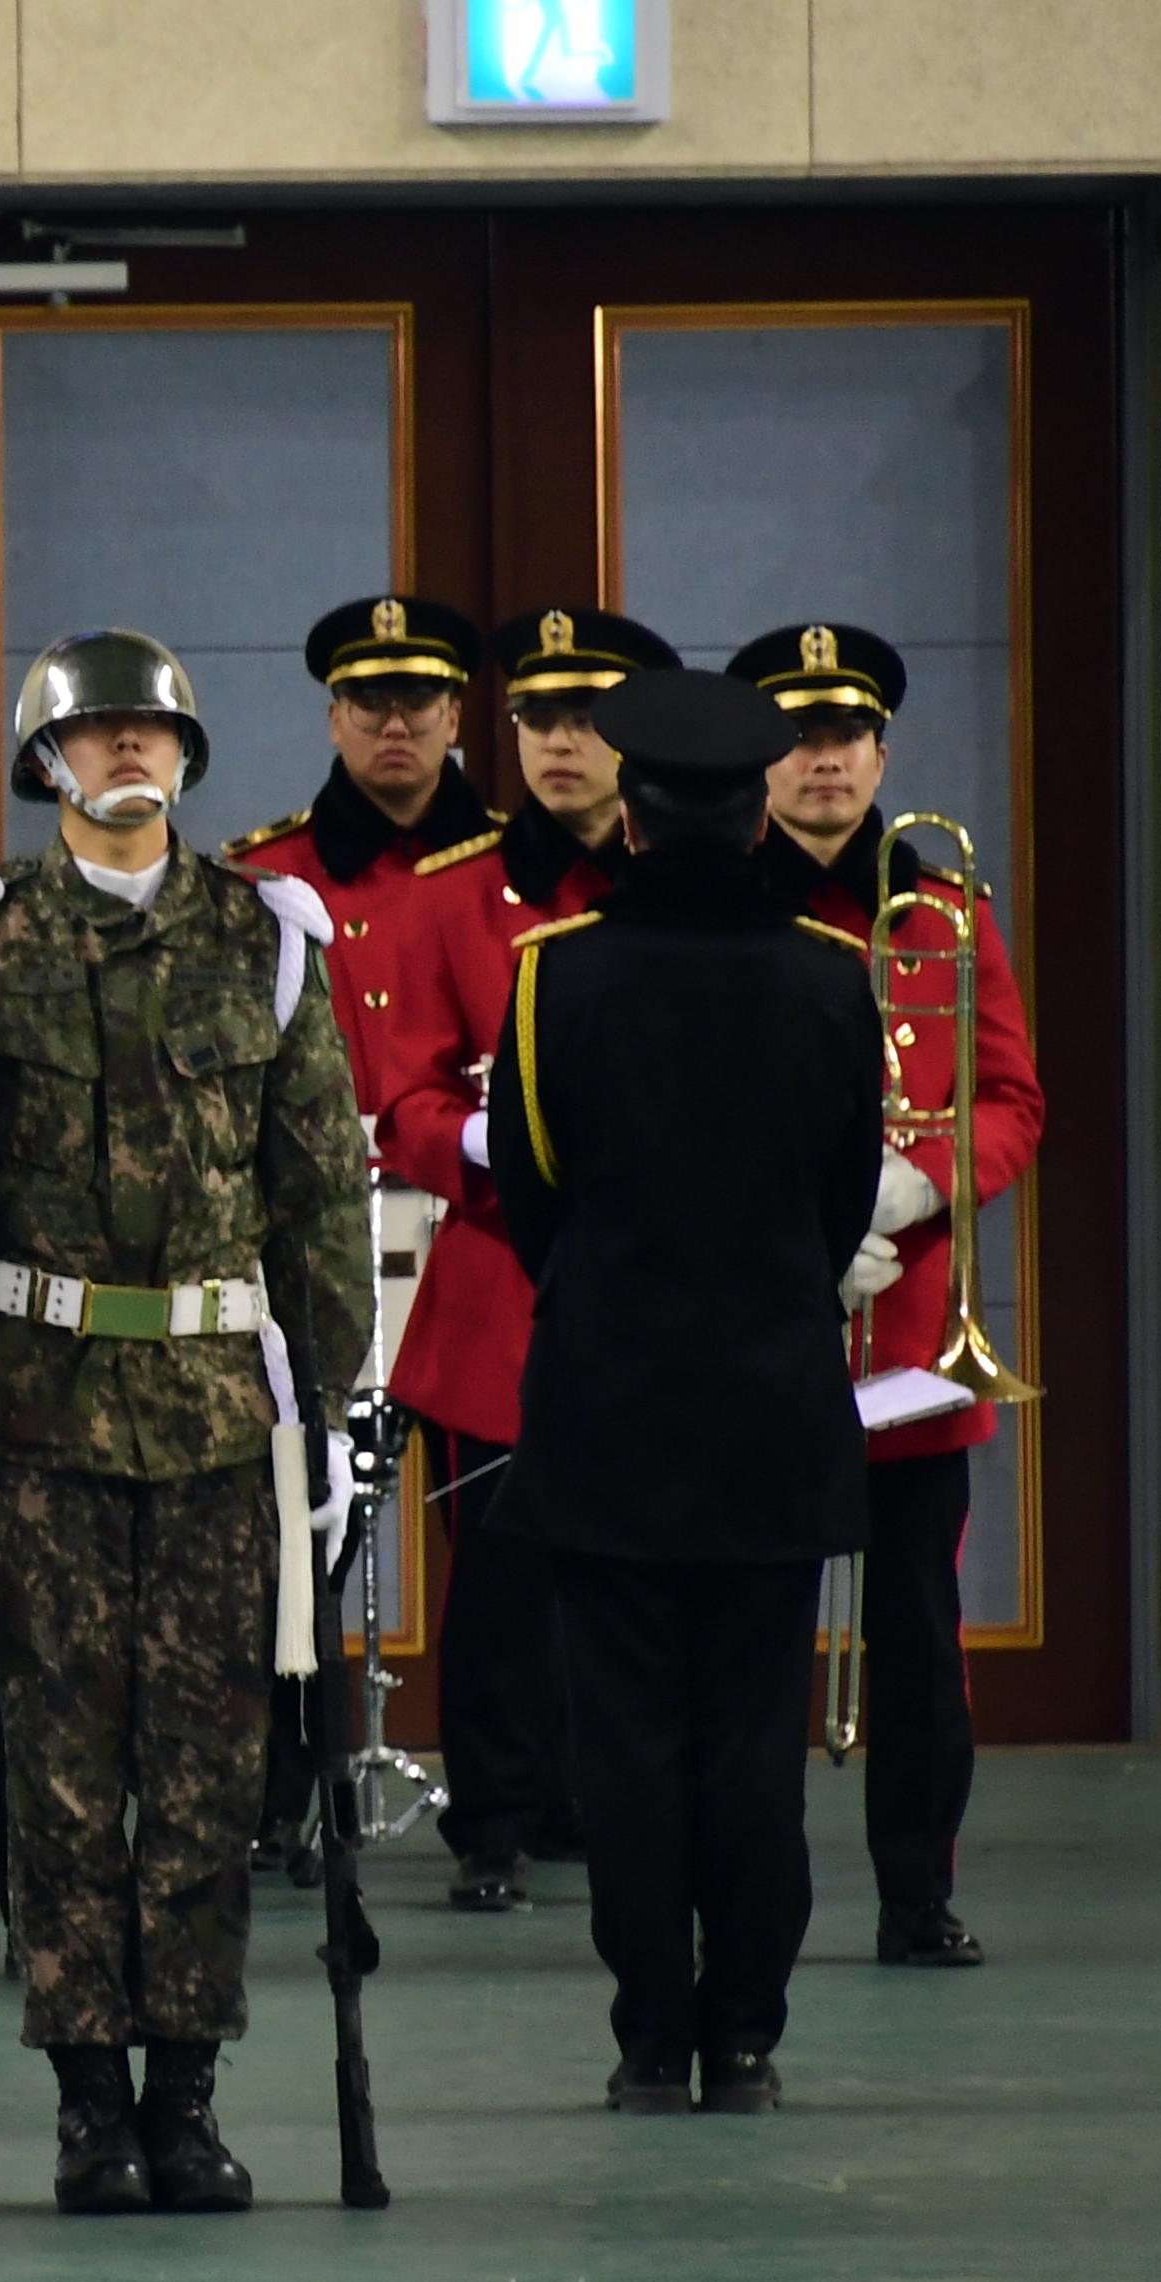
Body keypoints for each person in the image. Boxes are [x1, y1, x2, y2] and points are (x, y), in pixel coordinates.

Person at [0, 630, 371, 2215]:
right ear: (43, 765)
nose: (125, 755)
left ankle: (190, 2089)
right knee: (62, 1778)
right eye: (92, 735)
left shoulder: (267, 941)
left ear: (189, 754)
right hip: (37, 1417)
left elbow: (319, 1190)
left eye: (150, 731)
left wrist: (338, 1409)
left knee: (214, 1774)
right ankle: (88, 2100)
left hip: (226, 1424)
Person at [481, 665, 883, 2115]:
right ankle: (749, 2035)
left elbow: (531, 1191)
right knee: (755, 1744)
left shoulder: (554, 974)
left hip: (609, 1411)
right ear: (760, 810)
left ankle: (651, 2035)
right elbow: (845, 1204)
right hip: (771, 1411)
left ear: (633, 821)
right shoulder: (837, 979)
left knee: (631, 1748)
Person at [733, 620, 1045, 1969]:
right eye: (799, 740)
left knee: (919, 1643)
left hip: (915, 1344)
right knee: (747, 1647)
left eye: (847, 739)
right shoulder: (718, 919)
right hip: (760, 1336)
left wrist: (919, 1186)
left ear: (882, 753)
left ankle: (918, 1894)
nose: (824, 764)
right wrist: (794, 1218)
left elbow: (1014, 1102)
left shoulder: (947, 915)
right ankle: (746, 1902)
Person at [372, 603, 679, 1911]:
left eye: (590, 717)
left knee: (642, 1564)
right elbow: (401, 1099)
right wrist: (502, 1137)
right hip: (506, 1274)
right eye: (541, 719)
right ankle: (493, 1814)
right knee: (499, 1571)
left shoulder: (693, 885)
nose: (563, 743)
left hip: (665, 1279)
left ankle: (613, 1799)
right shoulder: (455, 897)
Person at [226, 594, 495, 1875]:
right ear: (334, 716)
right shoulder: (265, 875)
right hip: (314, 1245)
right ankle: (292, 1784)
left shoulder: (508, 868)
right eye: (370, 702)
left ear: (455, 716)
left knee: (495, 1526)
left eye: (421, 701)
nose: (396, 723)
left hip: (482, 1232)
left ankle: (511, 1800)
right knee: (301, 1526)